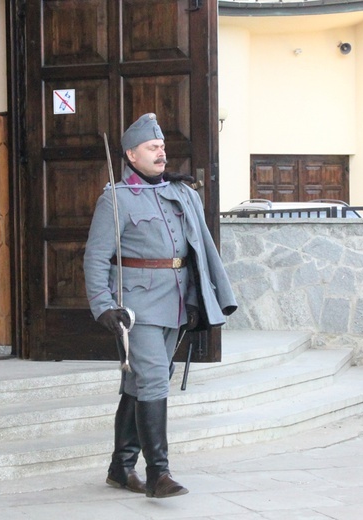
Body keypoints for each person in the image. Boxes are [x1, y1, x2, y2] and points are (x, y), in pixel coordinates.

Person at [83, 113, 237, 498]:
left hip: (175, 304)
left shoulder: (180, 193)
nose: (161, 153)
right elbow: (95, 257)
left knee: (139, 383)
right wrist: (103, 306)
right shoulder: (114, 200)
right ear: (132, 155)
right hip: (136, 307)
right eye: (153, 148)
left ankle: (120, 468)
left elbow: (194, 251)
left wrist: (198, 299)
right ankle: (158, 474)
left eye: (163, 147)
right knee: (152, 380)